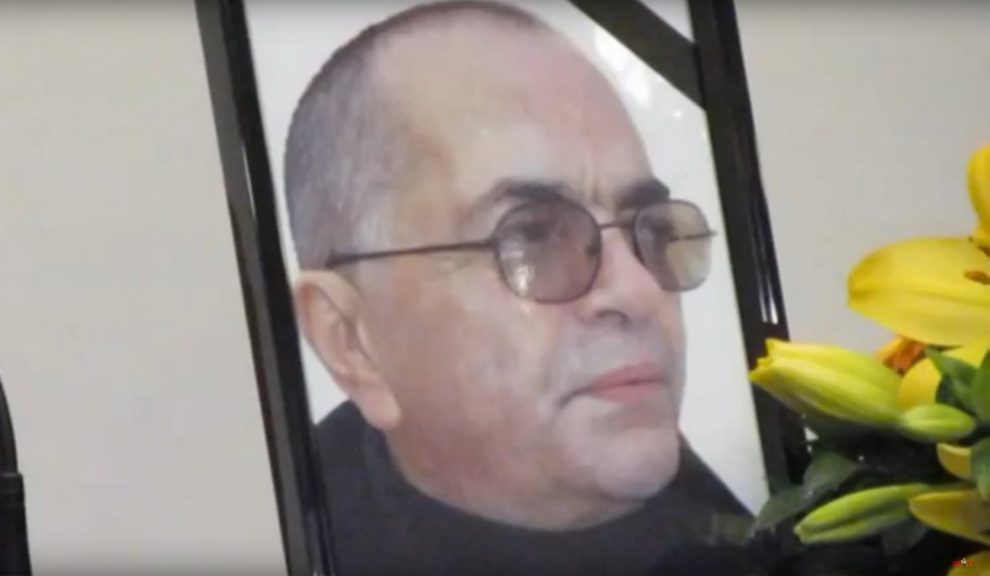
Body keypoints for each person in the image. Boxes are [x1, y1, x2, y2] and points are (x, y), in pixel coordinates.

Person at [285, 2, 753, 574]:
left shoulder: (774, 528)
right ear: (352, 342)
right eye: (531, 237)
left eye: (649, 229)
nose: (638, 291)